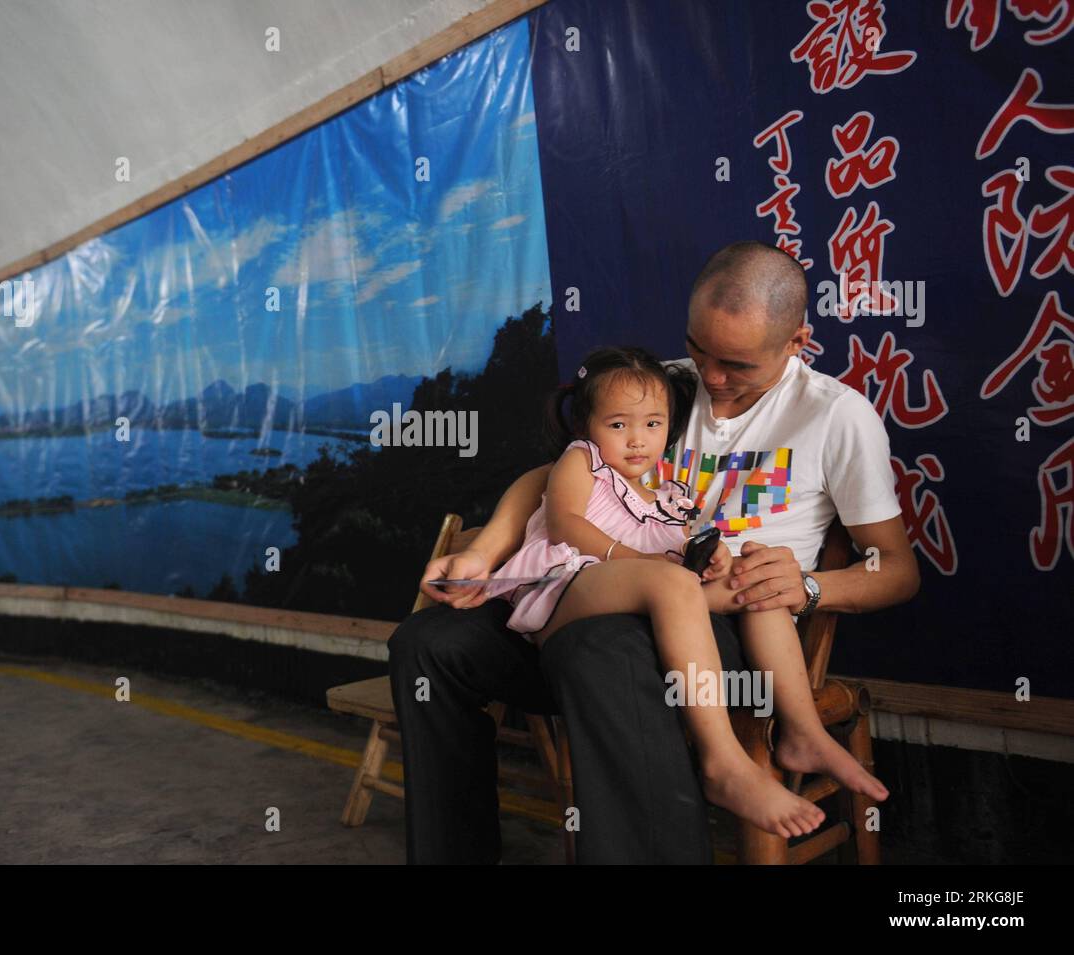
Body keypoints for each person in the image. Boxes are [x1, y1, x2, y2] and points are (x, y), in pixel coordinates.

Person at [388, 240, 920, 864]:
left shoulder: (836, 417)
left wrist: (807, 587)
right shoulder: (663, 388)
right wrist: (488, 553)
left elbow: (897, 569)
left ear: (797, 341)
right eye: (700, 350)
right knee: (428, 644)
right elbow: (559, 475)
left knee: (602, 650)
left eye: (737, 365)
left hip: (729, 635)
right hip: (597, 595)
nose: (712, 379)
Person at [476, 344, 887, 841]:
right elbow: (565, 525)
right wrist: (647, 564)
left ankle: (804, 731)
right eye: (618, 425)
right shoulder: (581, 461)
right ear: (587, 426)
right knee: (669, 582)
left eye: (652, 425)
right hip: (565, 584)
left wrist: (713, 559)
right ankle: (722, 762)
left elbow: (676, 551)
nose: (637, 440)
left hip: (641, 591)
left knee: (753, 586)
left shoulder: (668, 496)